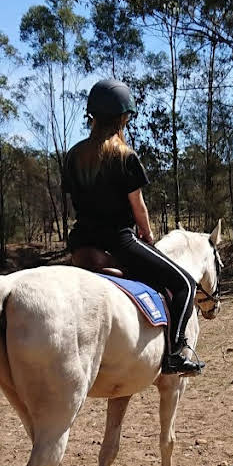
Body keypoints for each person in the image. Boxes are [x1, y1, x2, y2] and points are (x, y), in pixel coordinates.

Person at [65, 78, 204, 376]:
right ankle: (176, 353)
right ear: (123, 118)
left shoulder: (73, 156)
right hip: (118, 242)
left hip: (80, 244)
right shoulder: (125, 156)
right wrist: (148, 234)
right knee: (185, 285)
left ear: (92, 116)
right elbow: (138, 206)